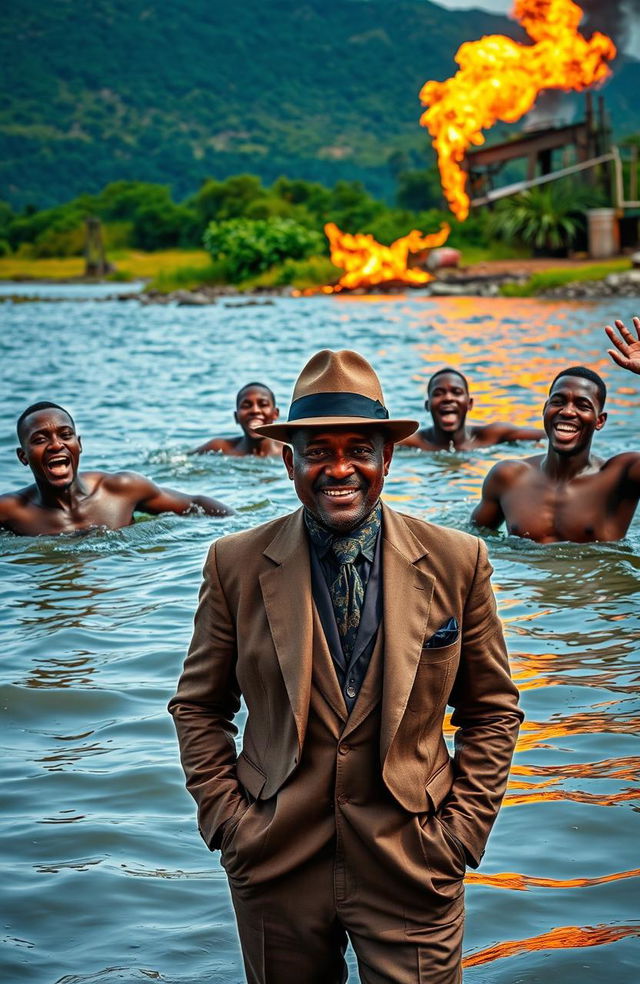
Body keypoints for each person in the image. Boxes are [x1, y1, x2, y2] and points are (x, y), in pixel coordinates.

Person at [169, 349, 522, 984]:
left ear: (387, 458)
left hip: (415, 861)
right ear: (289, 461)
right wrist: (229, 825)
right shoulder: (234, 565)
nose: (339, 468)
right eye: (317, 451)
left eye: (358, 449)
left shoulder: (457, 561)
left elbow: (492, 711)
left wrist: (461, 834)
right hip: (274, 861)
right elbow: (198, 706)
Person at [471, 317, 640, 543]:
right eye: (558, 401)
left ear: (599, 421)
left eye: (582, 405)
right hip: (523, 578)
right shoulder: (508, 477)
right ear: (545, 409)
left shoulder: (621, 475)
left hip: (596, 578)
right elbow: (470, 545)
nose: (568, 412)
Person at [0, 402, 232, 536]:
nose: (56, 445)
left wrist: (240, 532)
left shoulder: (121, 489)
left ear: (78, 445)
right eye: (40, 440)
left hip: (119, 594)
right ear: (23, 456)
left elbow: (196, 503)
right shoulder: (11, 511)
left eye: (65, 435)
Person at [401, 367, 544, 451]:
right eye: (438, 393)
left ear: (469, 404)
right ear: (428, 405)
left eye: (456, 392)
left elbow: (546, 436)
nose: (448, 398)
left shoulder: (491, 436)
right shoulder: (414, 443)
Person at [189, 382, 282, 456]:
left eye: (263, 404)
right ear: (236, 417)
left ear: (275, 414)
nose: (255, 410)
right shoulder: (218, 448)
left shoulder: (289, 452)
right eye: (246, 406)